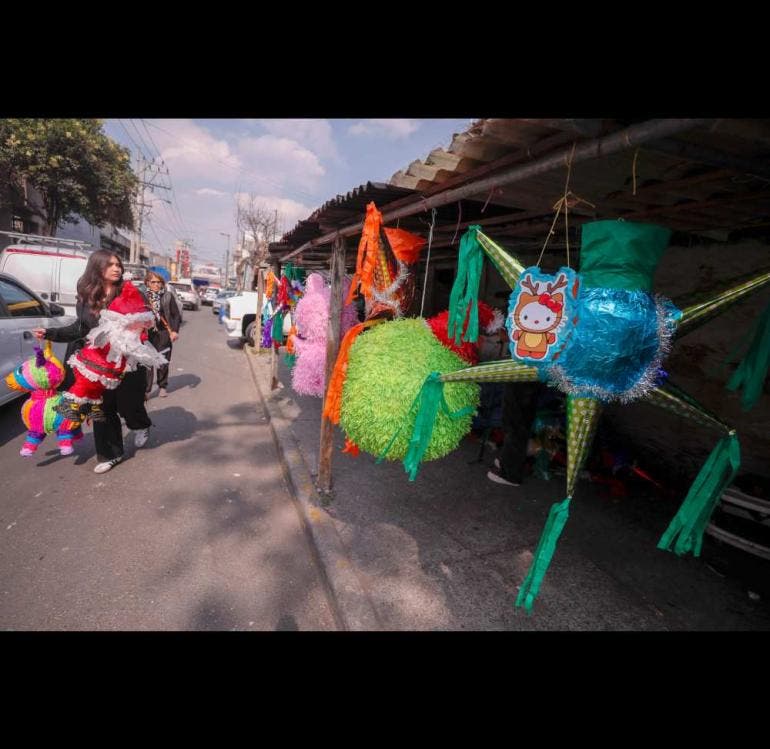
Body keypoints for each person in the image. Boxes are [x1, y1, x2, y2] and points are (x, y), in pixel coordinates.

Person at [32, 250, 156, 474]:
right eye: (110, 264)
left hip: (128, 361)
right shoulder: (88, 296)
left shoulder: (130, 291)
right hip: (98, 362)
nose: (116, 268)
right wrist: (51, 333)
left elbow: (147, 323)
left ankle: (140, 425)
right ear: (97, 267)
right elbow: (81, 328)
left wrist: (137, 337)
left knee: (129, 405)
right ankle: (111, 454)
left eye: (118, 264)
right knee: (101, 408)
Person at [487, 380, 546, 487]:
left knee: (516, 424)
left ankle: (510, 475)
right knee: (515, 420)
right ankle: (508, 462)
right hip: (524, 376)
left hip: (524, 377)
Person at [143, 271, 181, 398]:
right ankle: (146, 390)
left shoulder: (167, 296)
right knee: (147, 362)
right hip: (147, 334)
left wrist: (174, 330)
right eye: (153, 282)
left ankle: (162, 386)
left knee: (163, 361)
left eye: (159, 282)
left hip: (164, 333)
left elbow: (176, 315)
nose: (156, 285)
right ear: (147, 283)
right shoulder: (143, 296)